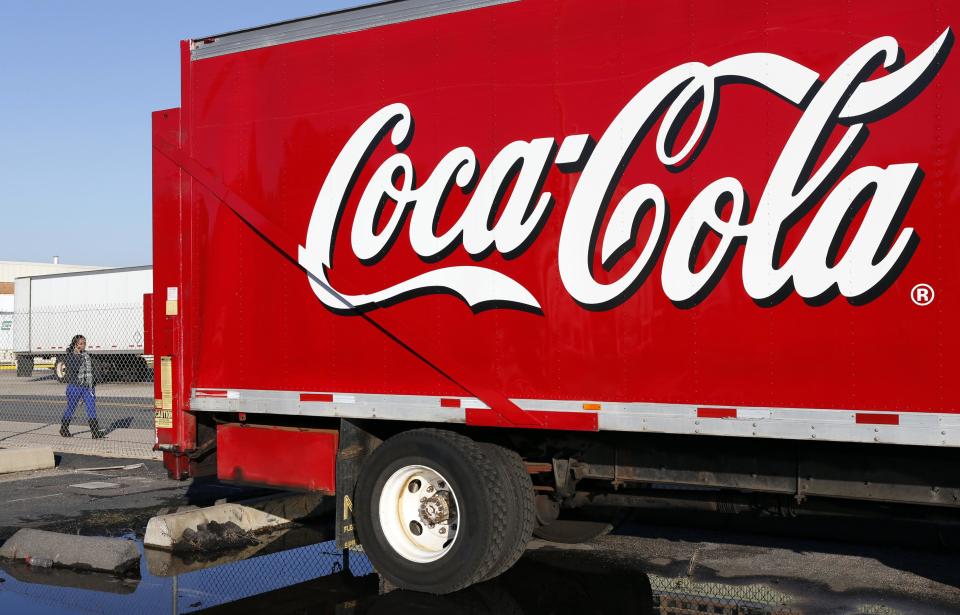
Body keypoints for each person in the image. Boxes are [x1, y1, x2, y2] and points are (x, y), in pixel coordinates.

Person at [60, 335, 105, 439]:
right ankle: (64, 428)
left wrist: (94, 382)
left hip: (88, 387)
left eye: (84, 343)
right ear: (75, 344)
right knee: (71, 407)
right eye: (80, 343)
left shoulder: (87, 355)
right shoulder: (70, 356)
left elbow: (92, 370)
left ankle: (95, 432)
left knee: (91, 407)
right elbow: (73, 369)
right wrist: (76, 355)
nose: (83, 345)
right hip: (75, 386)